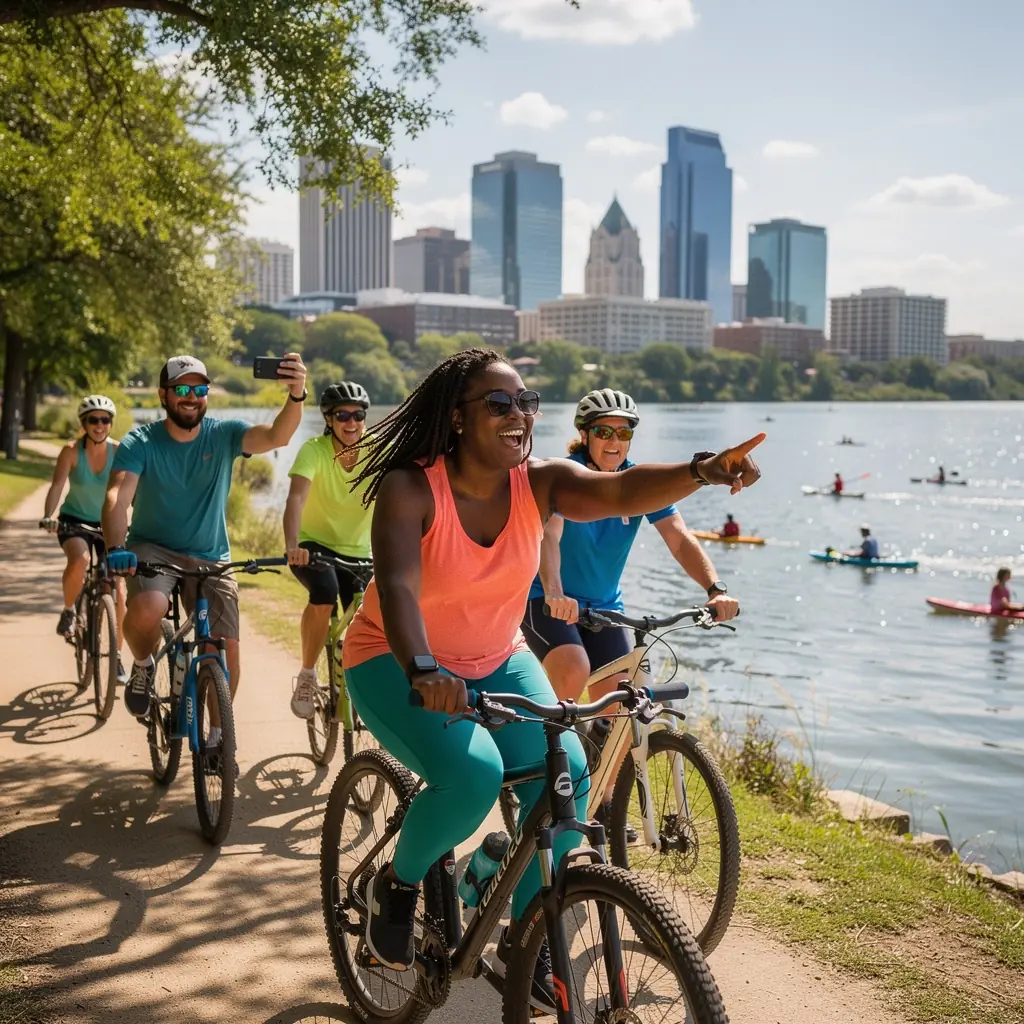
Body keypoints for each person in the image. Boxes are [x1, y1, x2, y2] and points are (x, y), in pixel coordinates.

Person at [340, 349, 762, 992]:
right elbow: (397, 586)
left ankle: (525, 936)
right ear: (457, 417)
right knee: (473, 776)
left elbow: (619, 491)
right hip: (394, 659)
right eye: (499, 403)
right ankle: (394, 888)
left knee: (568, 777)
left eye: (527, 402)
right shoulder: (411, 487)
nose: (519, 415)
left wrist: (703, 470)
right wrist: (423, 669)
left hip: (496, 656)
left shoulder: (538, 483)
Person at [520, 388, 740, 811]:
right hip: (545, 600)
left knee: (629, 700)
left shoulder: (639, 485)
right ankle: (534, 778)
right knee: (572, 669)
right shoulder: (568, 477)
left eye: (623, 433)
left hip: (605, 608)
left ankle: (601, 803)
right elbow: (550, 536)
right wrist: (554, 590)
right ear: (585, 435)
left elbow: (679, 539)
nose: (614, 441)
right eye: (604, 432)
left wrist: (715, 589)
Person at [103, 353, 307, 752]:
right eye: (182, 388)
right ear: (163, 395)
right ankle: (143, 665)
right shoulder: (140, 442)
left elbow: (277, 436)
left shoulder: (224, 434)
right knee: (149, 607)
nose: (191, 397)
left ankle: (217, 737)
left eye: (200, 389)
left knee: (224, 647)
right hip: (152, 549)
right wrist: (115, 547)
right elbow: (117, 496)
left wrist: (297, 394)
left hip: (210, 555)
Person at [284, 381, 374, 719]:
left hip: (360, 553)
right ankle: (307, 675)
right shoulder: (314, 450)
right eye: (342, 416)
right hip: (313, 548)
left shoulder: (378, 451)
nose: (351, 423)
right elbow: (296, 498)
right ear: (329, 419)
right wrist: (292, 545)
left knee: (372, 616)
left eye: (358, 415)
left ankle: (366, 687)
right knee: (324, 593)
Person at [39, 395, 126, 673]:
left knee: (119, 589)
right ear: (84, 423)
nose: (100, 425)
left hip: (108, 524)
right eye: (93, 420)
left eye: (105, 420)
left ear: (110, 422)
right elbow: (57, 486)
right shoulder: (70, 451)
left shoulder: (119, 451)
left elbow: (129, 490)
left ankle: (117, 657)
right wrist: (49, 515)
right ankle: (69, 610)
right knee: (80, 560)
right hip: (74, 521)